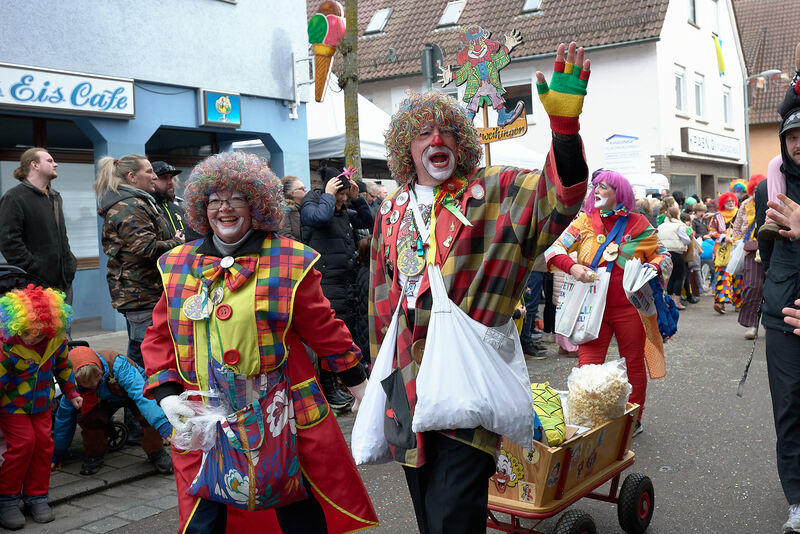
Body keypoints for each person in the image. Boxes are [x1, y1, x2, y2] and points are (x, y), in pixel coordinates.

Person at [371, 42, 590, 534]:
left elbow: (560, 196)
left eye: (447, 130)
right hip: (407, 386)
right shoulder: (391, 211)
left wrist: (565, 133)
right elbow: (379, 309)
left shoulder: (495, 190)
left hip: (470, 384)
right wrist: (378, 377)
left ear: (462, 143)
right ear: (406, 146)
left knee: (454, 518)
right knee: (430, 517)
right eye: (423, 132)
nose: (436, 139)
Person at [140, 151, 377, 534]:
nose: (225, 209)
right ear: (202, 207)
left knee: (297, 509)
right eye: (214, 200)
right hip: (204, 416)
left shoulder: (290, 260)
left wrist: (358, 384)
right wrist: (167, 394)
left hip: (278, 412)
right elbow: (160, 335)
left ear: (257, 205)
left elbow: (323, 328)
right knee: (203, 520)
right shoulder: (177, 263)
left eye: (237, 199)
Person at [546, 170, 672, 437]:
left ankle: (633, 418)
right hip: (591, 308)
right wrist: (573, 267)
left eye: (603, 186)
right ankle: (588, 417)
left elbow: (665, 257)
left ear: (620, 192)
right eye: (595, 186)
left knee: (634, 362)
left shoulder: (641, 225)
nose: (596, 191)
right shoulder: (583, 222)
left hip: (630, 308)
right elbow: (555, 249)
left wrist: (651, 268)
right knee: (588, 364)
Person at [755, 57, 800, 531]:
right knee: (788, 405)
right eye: (792, 137)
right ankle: (797, 498)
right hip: (783, 313)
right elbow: (762, 246)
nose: (799, 144)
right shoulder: (772, 184)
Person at [0, 285, 81, 529]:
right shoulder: (8, 348)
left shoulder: (55, 341)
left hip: (42, 405)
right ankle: (7, 499)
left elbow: (64, 367)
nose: (32, 338)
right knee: (23, 444)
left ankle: (37, 496)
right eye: (26, 333)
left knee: (45, 445)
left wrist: (71, 391)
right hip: (12, 407)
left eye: (38, 334)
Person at [95, 155, 184, 368]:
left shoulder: (139, 201)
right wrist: (177, 242)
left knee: (147, 348)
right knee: (143, 352)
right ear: (132, 177)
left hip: (147, 290)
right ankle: (136, 396)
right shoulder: (129, 205)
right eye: (149, 172)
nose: (154, 177)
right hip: (140, 293)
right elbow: (146, 248)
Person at [301, 166, 374, 408]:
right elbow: (317, 218)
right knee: (328, 337)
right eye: (341, 193)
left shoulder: (343, 210)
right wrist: (330, 195)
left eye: (345, 194)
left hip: (345, 281)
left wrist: (357, 199)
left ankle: (337, 387)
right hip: (325, 280)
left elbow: (369, 220)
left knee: (343, 334)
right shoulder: (316, 202)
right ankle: (328, 390)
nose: (343, 198)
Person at [51, 346, 173, 476]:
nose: (93, 384)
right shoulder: (72, 387)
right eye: (86, 381)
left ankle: (156, 452)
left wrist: (162, 425)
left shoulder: (118, 365)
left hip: (130, 393)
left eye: (96, 377)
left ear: (99, 369)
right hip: (101, 400)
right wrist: (56, 455)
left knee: (146, 416)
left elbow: (141, 395)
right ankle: (95, 454)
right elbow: (64, 421)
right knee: (88, 420)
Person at [0, 148, 77, 300]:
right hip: (35, 285)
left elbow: (62, 237)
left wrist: (70, 264)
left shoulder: (55, 196)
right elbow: (8, 241)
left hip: (63, 283)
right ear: (34, 165)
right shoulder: (14, 197)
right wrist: (34, 270)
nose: (56, 164)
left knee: (64, 324)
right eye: (49, 161)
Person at [732, 174, 767, 339]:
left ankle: (769, 323)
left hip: (773, 248)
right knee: (752, 287)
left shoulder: (773, 202)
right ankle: (752, 324)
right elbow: (737, 228)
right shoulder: (746, 204)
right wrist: (739, 244)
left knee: (773, 288)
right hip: (751, 250)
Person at [151, 161, 202, 242]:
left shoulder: (179, 210)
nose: (170, 182)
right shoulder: (149, 209)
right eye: (164, 177)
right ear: (152, 180)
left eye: (171, 177)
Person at [709, 191, 741, 314]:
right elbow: (711, 232)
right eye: (728, 201)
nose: (731, 203)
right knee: (722, 276)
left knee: (739, 276)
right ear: (723, 203)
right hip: (722, 251)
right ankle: (720, 303)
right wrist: (723, 237)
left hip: (737, 249)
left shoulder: (740, 213)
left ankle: (739, 303)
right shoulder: (717, 216)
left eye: (733, 201)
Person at [657, 205, 691, 309]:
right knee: (678, 277)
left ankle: (669, 301)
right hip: (677, 253)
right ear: (677, 214)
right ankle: (676, 301)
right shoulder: (679, 226)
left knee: (669, 277)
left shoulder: (661, 226)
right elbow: (686, 240)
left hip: (664, 254)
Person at [279, 176, 306, 241]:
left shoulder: (303, 208)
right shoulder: (285, 210)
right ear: (292, 193)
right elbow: (285, 236)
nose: (305, 190)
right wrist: (304, 247)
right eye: (302, 188)